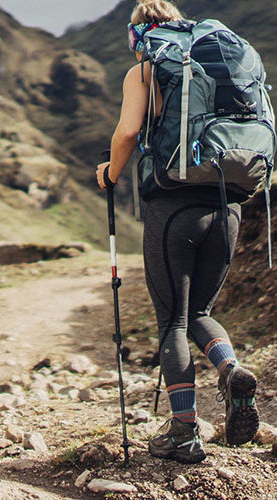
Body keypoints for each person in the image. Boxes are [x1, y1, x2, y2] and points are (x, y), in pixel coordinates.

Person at [96, 0, 260, 464]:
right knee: (202, 310)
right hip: (229, 205)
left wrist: (110, 173)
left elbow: (128, 132)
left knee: (174, 321)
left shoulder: (147, 67)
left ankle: (184, 432)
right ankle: (230, 369)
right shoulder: (223, 54)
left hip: (174, 206)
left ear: (137, 34)